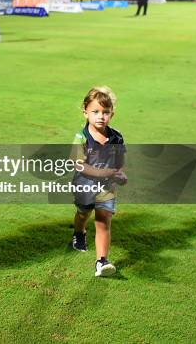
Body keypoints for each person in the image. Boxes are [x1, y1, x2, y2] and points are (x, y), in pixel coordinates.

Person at [70, 86, 127, 277]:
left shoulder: (117, 138)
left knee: (103, 222)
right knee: (83, 214)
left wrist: (120, 174)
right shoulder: (81, 138)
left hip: (106, 188)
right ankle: (79, 233)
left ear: (112, 114)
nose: (100, 116)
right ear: (85, 112)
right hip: (84, 185)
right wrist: (104, 172)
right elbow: (79, 165)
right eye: (95, 112)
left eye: (105, 112)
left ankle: (101, 262)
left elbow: (119, 163)